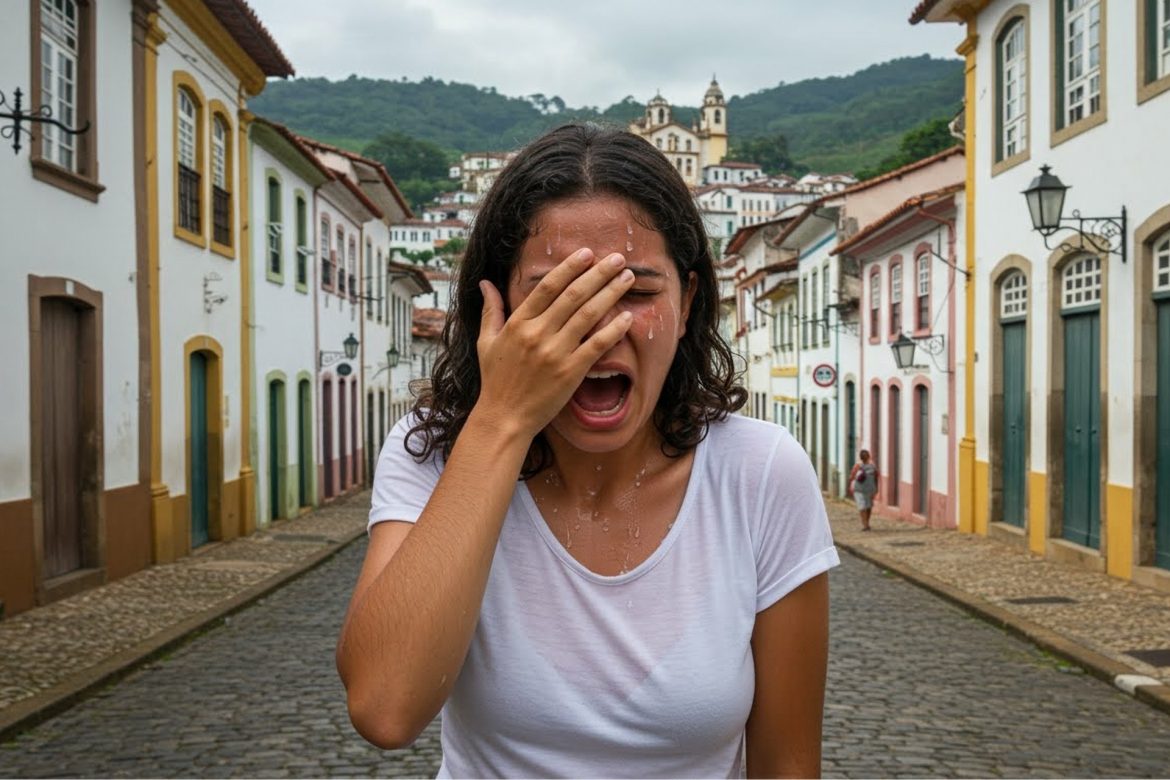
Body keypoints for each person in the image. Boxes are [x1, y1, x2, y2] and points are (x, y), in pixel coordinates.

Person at [336, 123, 840, 778]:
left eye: (634, 292)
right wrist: (501, 421)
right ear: (497, 310)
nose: (597, 332)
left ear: (688, 303)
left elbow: (787, 765)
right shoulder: (431, 452)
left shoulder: (761, 473)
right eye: (555, 296)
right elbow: (384, 708)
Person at [847, 450, 878, 531]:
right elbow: (876, 478)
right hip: (860, 490)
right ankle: (865, 524)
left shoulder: (872, 466)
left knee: (867, 507)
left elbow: (875, 477)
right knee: (863, 506)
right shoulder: (859, 466)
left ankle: (866, 522)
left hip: (867, 489)